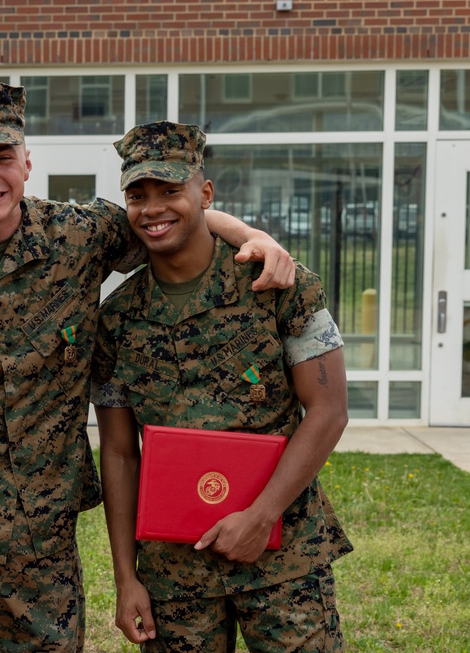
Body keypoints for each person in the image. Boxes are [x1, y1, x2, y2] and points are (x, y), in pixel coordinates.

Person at [0, 81, 296, 652]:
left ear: (27, 164)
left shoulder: (79, 236)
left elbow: (167, 215)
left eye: (2, 157)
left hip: (41, 537)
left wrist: (249, 234)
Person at [92, 121, 353, 651]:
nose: (153, 208)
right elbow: (120, 453)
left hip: (282, 557)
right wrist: (126, 578)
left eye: (170, 190)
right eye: (137, 195)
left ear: (204, 194)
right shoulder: (116, 320)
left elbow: (328, 410)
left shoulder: (277, 284)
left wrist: (262, 516)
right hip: (173, 568)